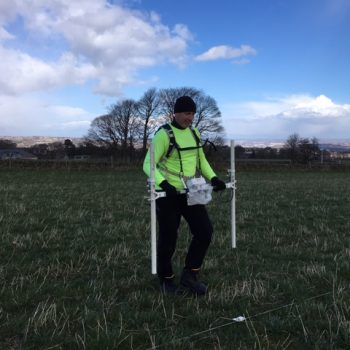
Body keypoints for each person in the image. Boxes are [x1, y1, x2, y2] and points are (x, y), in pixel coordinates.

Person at [143, 96, 226, 295]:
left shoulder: (195, 132)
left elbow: (201, 160)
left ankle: (190, 275)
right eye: (187, 113)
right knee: (168, 237)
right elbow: (148, 164)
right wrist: (163, 184)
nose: (190, 118)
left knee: (205, 231)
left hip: (192, 190)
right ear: (176, 113)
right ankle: (166, 280)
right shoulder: (163, 135)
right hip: (168, 194)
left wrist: (213, 178)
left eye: (193, 114)